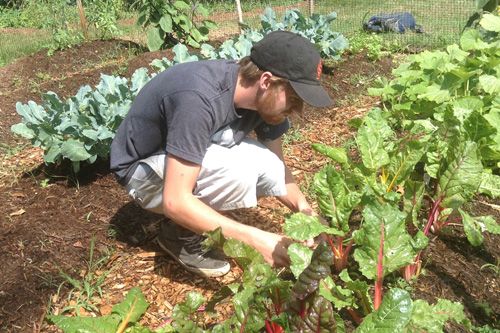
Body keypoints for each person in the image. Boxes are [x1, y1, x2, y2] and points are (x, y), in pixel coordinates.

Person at [110, 30, 332, 278]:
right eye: (294, 97)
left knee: (267, 164)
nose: (298, 110)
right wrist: (257, 240)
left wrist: (306, 213)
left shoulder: (262, 100)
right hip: (143, 173)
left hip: (178, 160)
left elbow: (277, 167)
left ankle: (197, 217)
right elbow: (175, 200)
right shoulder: (199, 98)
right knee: (238, 173)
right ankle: (178, 235)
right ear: (266, 81)